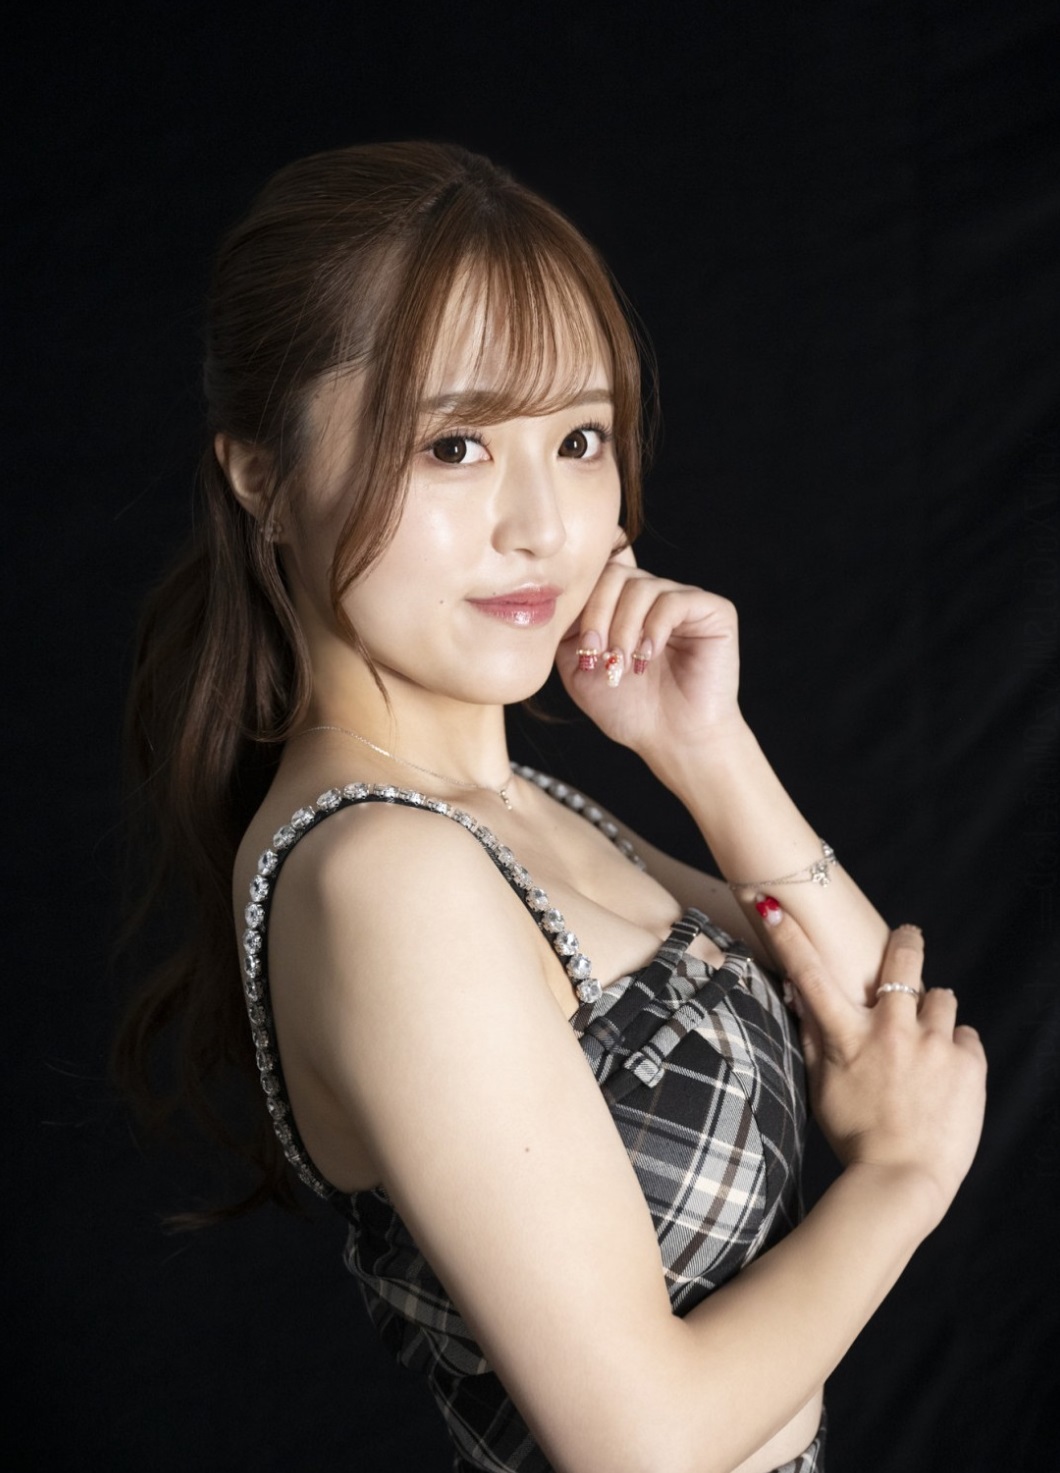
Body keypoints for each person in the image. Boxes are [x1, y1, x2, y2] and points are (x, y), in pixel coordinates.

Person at [119, 141, 986, 1473]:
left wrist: (704, 748)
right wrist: (901, 1184)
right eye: (454, 445)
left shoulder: (514, 802)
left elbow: (892, 1027)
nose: (542, 525)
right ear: (262, 478)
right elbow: (641, 1447)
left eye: (578, 440)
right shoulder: (382, 873)